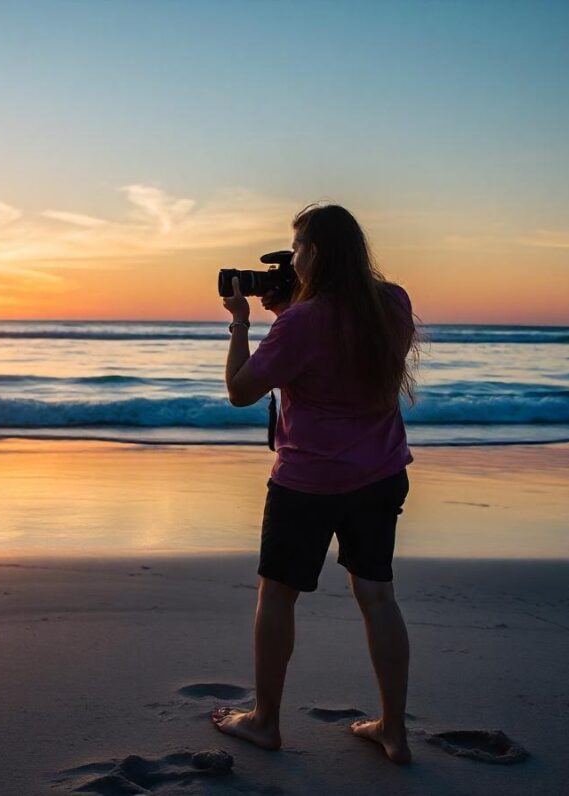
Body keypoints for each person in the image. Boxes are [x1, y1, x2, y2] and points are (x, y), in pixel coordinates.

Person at [211, 203, 419, 765]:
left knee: (278, 595)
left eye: (297, 247)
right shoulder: (393, 303)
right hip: (380, 475)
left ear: (317, 253)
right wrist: (295, 301)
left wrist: (242, 321)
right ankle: (395, 732)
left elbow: (240, 390)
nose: (292, 257)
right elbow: (344, 342)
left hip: (308, 482)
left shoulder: (300, 323)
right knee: (377, 594)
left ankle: (264, 722)